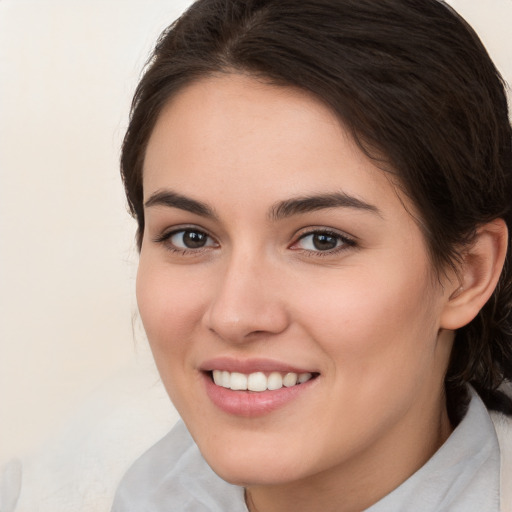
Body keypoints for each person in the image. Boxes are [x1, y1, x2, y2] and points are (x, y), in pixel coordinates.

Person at [111, 0, 512, 510]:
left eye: (322, 239)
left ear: (468, 274)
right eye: (191, 237)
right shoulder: (118, 487)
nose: (234, 316)